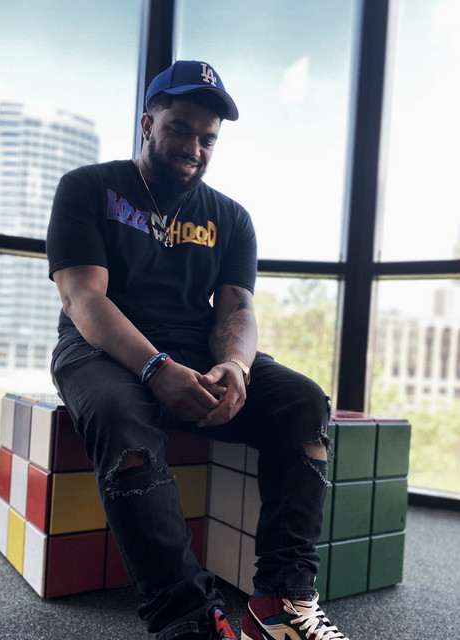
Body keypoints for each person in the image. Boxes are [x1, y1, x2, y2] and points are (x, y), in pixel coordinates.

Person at [46, 60, 350, 640]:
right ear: (147, 124)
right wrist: (155, 369)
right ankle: (188, 619)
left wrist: (235, 365)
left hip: (192, 346)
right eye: (180, 129)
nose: (194, 147)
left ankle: (282, 602)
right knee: (119, 418)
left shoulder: (231, 218)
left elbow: (237, 309)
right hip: (97, 348)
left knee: (305, 404)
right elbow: (83, 298)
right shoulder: (88, 187)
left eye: (207, 138)